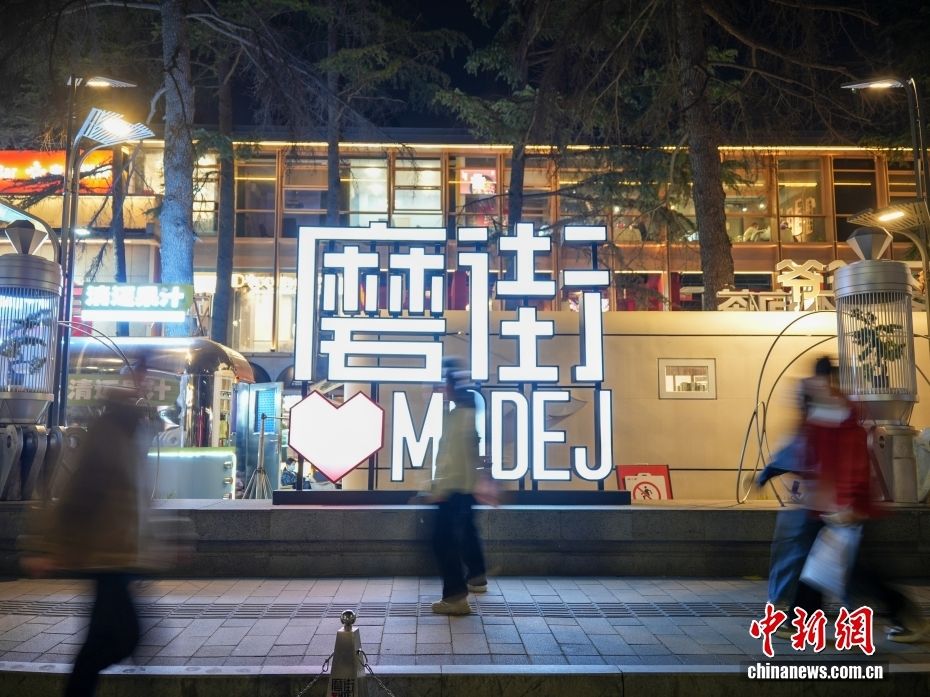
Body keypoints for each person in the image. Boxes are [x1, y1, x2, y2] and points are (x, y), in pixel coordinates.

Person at [21, 386, 153, 697]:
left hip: (120, 557)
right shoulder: (108, 438)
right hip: (107, 558)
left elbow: (135, 500)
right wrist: (51, 549)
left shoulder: (129, 438)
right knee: (123, 638)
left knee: (106, 640)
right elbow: (80, 495)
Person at [428, 357, 487, 616]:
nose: (442, 389)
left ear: (452, 387)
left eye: (445, 384)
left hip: (452, 489)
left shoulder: (457, 417)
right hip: (464, 488)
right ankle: (475, 577)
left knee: (443, 541)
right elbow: (469, 452)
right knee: (462, 535)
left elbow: (450, 455)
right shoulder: (466, 414)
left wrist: (440, 487)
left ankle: (455, 597)